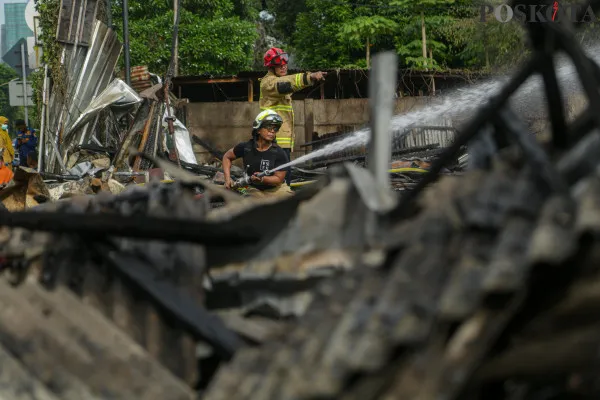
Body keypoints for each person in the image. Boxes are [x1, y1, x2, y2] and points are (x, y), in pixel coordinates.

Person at [259, 47, 327, 184]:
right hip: (273, 141)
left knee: (284, 180)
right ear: (271, 67)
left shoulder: (278, 82)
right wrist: (309, 77)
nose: (284, 66)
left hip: (281, 143)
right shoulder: (269, 83)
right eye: (279, 64)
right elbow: (287, 84)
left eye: (285, 63)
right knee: (277, 183)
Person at [222, 110, 293, 198]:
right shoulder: (245, 147)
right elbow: (227, 157)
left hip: (276, 190)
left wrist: (262, 179)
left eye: (275, 128)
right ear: (258, 129)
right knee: (249, 206)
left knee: (292, 203)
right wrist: (227, 179)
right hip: (254, 189)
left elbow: (278, 179)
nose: (272, 131)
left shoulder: (279, 153)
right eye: (269, 126)